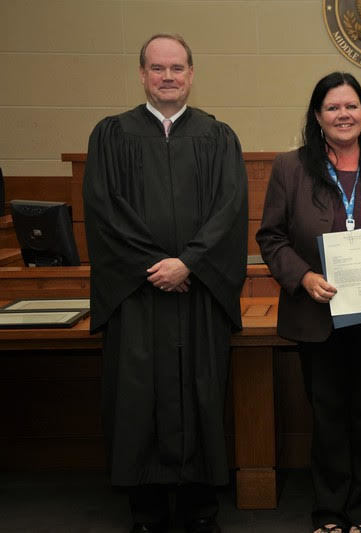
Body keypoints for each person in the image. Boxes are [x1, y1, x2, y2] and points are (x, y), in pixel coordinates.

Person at [82, 33, 248, 533]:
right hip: (138, 295)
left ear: (191, 74)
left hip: (197, 292)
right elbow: (102, 210)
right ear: (142, 74)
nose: (168, 76)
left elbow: (230, 210)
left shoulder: (218, 137)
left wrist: (190, 264)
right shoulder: (110, 135)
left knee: (201, 391)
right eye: (158, 68)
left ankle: (200, 508)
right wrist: (156, 265)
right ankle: (147, 511)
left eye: (177, 68)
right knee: (138, 398)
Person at [256, 72, 361, 533]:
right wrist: (303, 276)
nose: (344, 114)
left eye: (351, 106)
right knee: (328, 419)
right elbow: (270, 237)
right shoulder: (290, 168)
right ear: (317, 115)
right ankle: (330, 512)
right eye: (333, 107)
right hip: (318, 317)